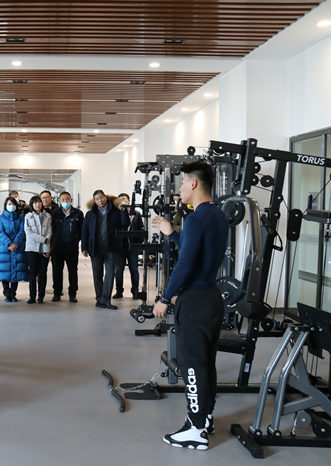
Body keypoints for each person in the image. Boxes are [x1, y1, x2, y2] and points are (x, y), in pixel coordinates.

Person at [152, 161, 228, 450]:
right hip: (211, 298)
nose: (181, 188)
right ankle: (204, 417)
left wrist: (164, 297)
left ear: (194, 184)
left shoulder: (196, 219)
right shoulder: (217, 215)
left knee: (192, 366)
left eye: (183, 182)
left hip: (195, 302)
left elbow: (185, 263)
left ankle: (195, 430)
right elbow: (194, 249)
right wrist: (171, 233)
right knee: (205, 363)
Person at [81, 190, 127, 310]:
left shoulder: (115, 212)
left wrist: (123, 211)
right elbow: (84, 231)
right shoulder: (90, 214)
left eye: (101, 197)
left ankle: (106, 299)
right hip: (95, 248)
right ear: (94, 201)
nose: (100, 200)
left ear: (105, 197)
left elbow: (124, 224)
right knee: (97, 275)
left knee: (110, 274)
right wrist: (84, 247)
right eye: (97, 199)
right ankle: (99, 299)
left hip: (111, 248)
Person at [50, 192, 83, 303]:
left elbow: (81, 230)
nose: (65, 201)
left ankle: (72, 294)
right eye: (63, 200)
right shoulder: (55, 213)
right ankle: (57, 293)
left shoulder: (78, 213)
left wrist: (77, 240)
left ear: (71, 200)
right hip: (57, 248)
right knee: (57, 271)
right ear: (59, 201)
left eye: (67, 199)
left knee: (72, 271)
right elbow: (51, 229)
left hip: (72, 248)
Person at [0, 196, 27, 302]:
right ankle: (6, 292)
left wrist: (15, 243)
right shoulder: (1, 218)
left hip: (18, 247)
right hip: (5, 247)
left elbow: (21, 231)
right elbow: (1, 232)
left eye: (13, 204)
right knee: (5, 270)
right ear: (5, 205)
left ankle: (13, 293)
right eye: (9, 204)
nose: (11, 206)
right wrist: (9, 243)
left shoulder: (20, 218)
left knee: (16, 269)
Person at [114, 193, 144, 300]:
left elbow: (141, 228)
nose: (123, 201)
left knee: (134, 270)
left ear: (129, 201)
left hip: (133, 247)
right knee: (118, 271)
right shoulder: (116, 214)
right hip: (120, 247)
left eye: (125, 199)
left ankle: (135, 291)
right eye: (121, 200)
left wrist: (138, 241)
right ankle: (119, 291)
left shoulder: (136, 214)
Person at [24, 195, 52, 304]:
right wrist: (43, 240)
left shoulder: (48, 216)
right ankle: (32, 296)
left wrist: (46, 244)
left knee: (43, 273)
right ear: (32, 205)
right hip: (32, 248)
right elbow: (29, 233)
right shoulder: (28, 216)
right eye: (35, 203)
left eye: (39, 202)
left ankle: (41, 296)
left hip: (44, 248)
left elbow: (50, 230)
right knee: (32, 274)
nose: (38, 204)